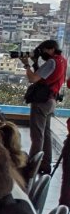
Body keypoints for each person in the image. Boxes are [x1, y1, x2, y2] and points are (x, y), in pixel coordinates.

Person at [21, 39, 66, 175]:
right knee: (46, 134)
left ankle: (31, 166)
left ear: (51, 49)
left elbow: (33, 79)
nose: (42, 54)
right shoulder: (62, 60)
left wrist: (26, 65)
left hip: (42, 102)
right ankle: (45, 164)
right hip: (51, 100)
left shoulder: (52, 61)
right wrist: (35, 63)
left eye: (43, 51)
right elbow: (43, 77)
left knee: (37, 135)